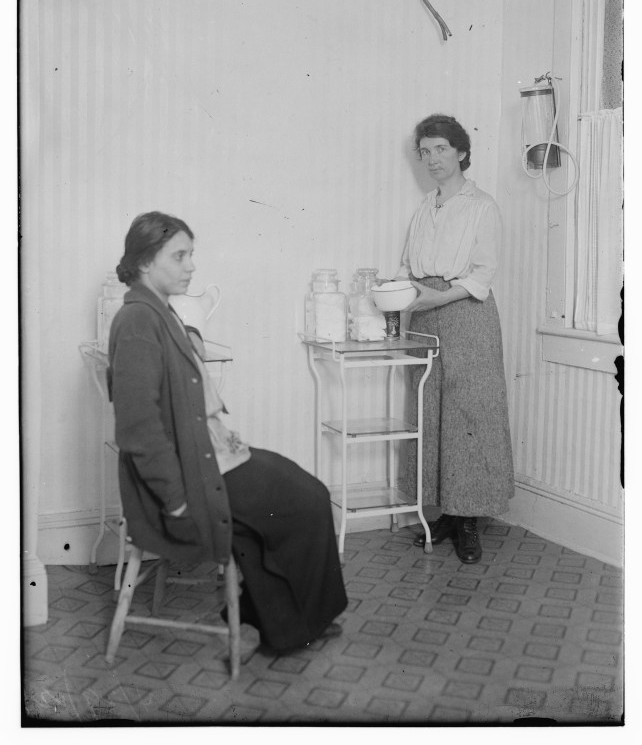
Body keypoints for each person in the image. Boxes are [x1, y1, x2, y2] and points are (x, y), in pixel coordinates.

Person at [108, 211, 347, 654]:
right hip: (187, 480)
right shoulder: (139, 322)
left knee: (292, 495)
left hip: (203, 457)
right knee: (309, 498)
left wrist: (190, 334)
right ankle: (295, 622)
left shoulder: (152, 310)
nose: (191, 266)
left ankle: (287, 625)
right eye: (179, 256)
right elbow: (138, 431)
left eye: (190, 255)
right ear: (144, 262)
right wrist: (176, 499)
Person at [397, 115, 514, 564]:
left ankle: (468, 522)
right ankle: (444, 511)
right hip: (425, 313)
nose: (432, 159)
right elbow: (411, 264)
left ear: (462, 152)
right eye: (424, 152)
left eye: (441, 149)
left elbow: (482, 274)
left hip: (466, 313)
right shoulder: (425, 207)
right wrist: (410, 296)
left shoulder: (482, 206)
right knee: (430, 410)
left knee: (470, 413)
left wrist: (435, 296)